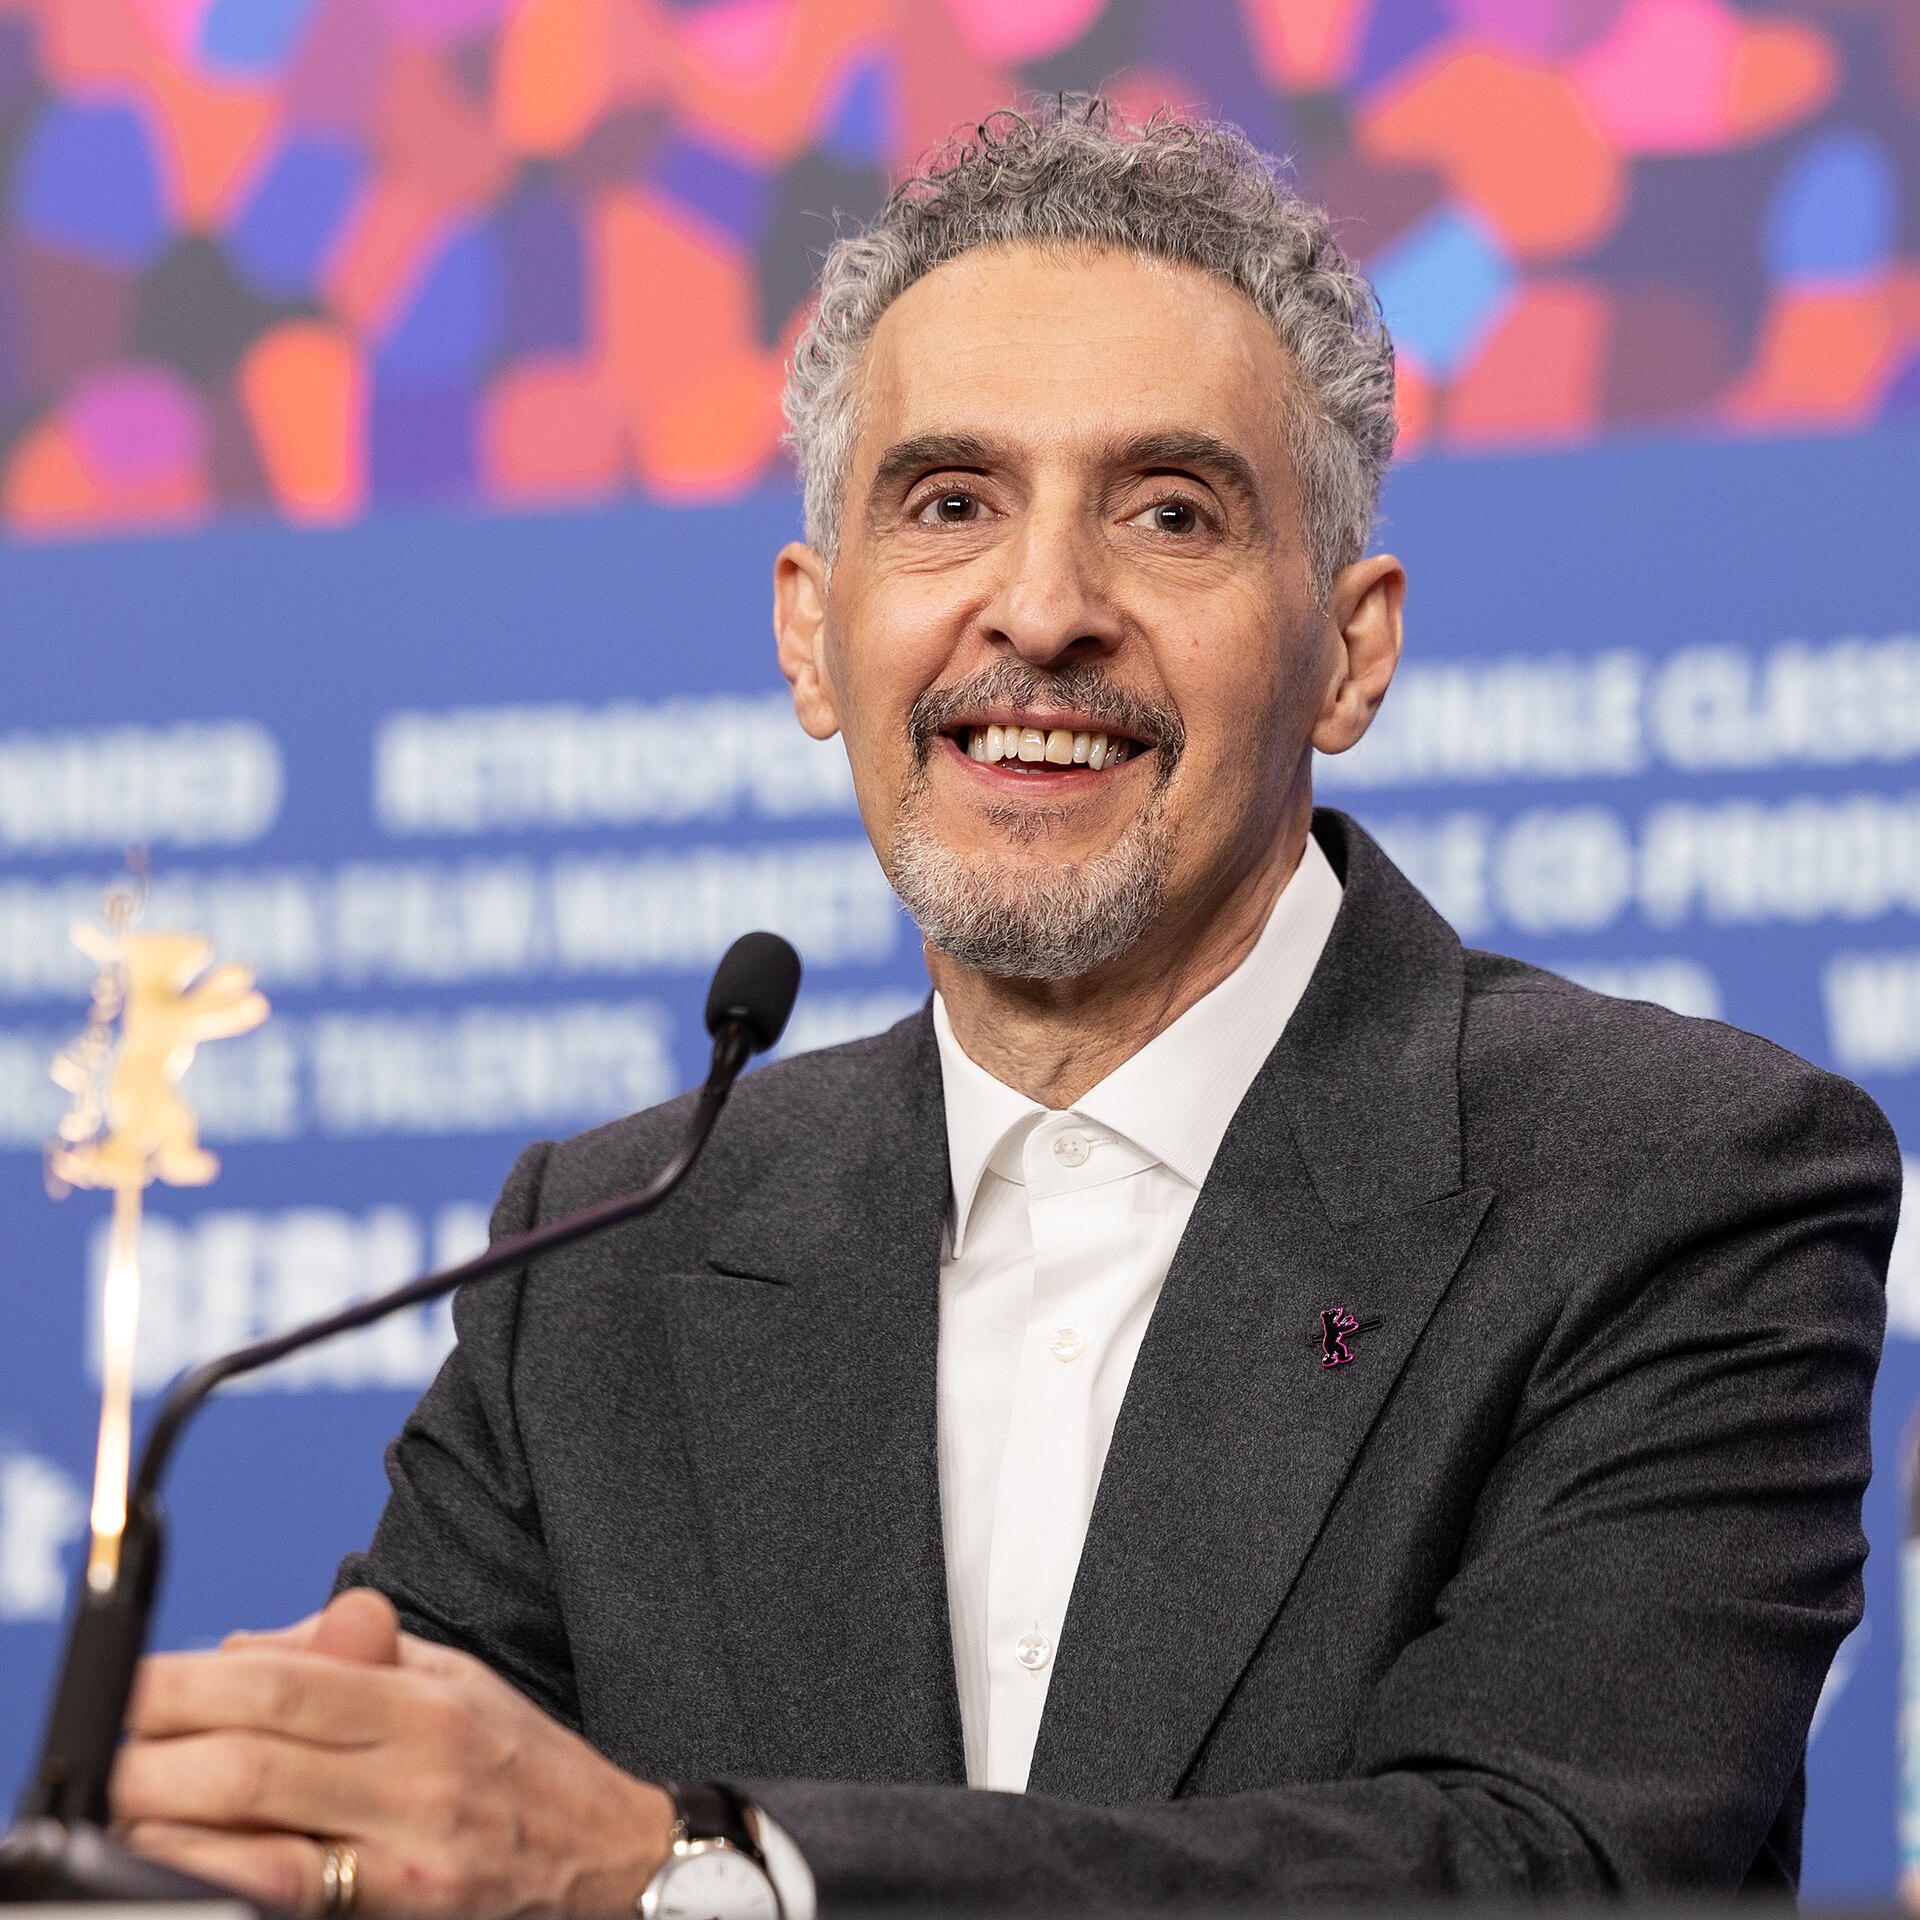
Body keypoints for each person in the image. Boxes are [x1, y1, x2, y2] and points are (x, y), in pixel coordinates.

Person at [109, 100, 1896, 1916]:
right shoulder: (601, 1261)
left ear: (1348, 648)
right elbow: (395, 1852)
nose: (1040, 610)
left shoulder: (1672, 1180)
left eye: (1171, 511)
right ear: (814, 634)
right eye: (951, 502)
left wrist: (703, 1875)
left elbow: (1547, 1871)